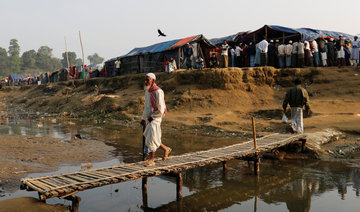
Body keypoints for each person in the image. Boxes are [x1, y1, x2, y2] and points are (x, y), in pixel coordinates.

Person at [141, 73, 172, 167]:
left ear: (153, 81)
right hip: (150, 116)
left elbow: (161, 109)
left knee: (151, 137)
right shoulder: (147, 91)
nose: (146, 82)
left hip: (157, 116)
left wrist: (153, 117)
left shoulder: (158, 92)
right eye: (145, 80)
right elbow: (146, 106)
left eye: (148, 80)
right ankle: (166, 149)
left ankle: (151, 160)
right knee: (150, 135)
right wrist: (143, 118)